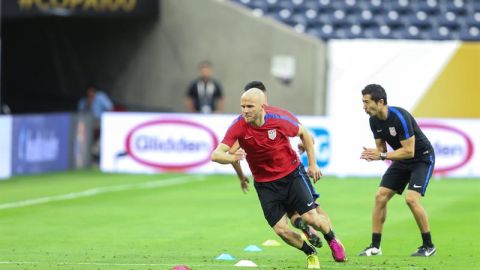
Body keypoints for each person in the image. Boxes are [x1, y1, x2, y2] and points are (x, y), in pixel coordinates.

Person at [211, 88, 345, 269]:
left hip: (291, 175)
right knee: (281, 230)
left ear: (263, 106)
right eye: (242, 106)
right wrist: (232, 158)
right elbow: (216, 154)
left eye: (250, 106)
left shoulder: (280, 118)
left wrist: (312, 164)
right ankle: (310, 252)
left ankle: (332, 239)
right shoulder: (238, 125)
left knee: (312, 218)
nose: (245, 110)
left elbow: (305, 133)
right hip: (265, 184)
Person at [359, 84, 436, 257]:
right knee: (380, 197)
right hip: (402, 160)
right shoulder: (373, 120)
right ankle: (375, 247)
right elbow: (382, 150)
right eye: (362, 102)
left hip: (421, 159)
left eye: (366, 102)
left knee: (411, 199)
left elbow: (410, 151)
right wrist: (374, 154)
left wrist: (382, 156)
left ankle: (428, 245)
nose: (363, 107)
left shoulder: (399, 117)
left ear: (380, 102)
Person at [78, 84, 113, 163]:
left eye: (92, 93)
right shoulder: (83, 101)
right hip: (88, 122)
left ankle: (96, 150)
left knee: (103, 132)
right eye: (88, 93)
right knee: (82, 131)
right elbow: (80, 114)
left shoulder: (100, 97)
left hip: (101, 120)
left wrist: (107, 119)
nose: (90, 95)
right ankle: (86, 154)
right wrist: (87, 104)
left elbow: (110, 107)